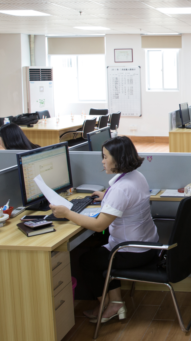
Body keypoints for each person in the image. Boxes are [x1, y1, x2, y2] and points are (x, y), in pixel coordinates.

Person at [50, 136, 159, 324]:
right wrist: (106, 196)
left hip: (133, 252)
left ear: (118, 159)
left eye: (105, 157)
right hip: (148, 244)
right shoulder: (135, 176)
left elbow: (99, 225)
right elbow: (124, 197)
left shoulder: (121, 189)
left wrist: (67, 213)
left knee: (87, 261)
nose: (102, 161)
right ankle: (115, 302)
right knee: (101, 249)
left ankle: (106, 305)